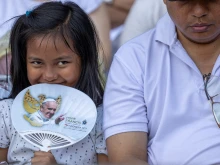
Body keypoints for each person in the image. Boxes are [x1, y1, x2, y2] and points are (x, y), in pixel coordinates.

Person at [103, 0, 220, 164]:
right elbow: (126, 157)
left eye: (211, 0)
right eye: (185, 1)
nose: (199, 11)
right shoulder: (134, 59)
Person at [0, 1, 108, 164]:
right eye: (37, 62)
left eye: (62, 62)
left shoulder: (101, 121)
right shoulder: (7, 114)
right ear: (24, 62)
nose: (49, 76)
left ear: (85, 59)